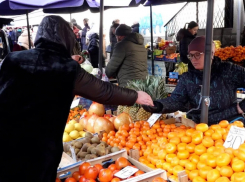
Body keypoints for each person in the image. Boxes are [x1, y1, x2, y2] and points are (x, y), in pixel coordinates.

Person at [0, 15, 153, 182]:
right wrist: (136, 95)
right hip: (41, 149)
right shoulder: (67, 68)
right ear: (66, 38)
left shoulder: (12, 59)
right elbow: (102, 90)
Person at [143, 36, 245, 125]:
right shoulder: (187, 78)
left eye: (198, 54)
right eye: (191, 55)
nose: (193, 59)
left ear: (211, 54)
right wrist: (158, 105)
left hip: (229, 122)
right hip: (198, 126)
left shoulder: (229, 70)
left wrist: (241, 106)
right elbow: (176, 100)